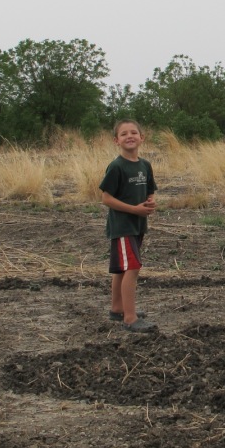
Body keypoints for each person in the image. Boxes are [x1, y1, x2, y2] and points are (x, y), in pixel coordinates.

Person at [99, 119, 158, 333]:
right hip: (123, 226)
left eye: (134, 132)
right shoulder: (116, 167)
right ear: (116, 141)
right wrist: (134, 210)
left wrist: (150, 202)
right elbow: (106, 198)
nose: (129, 136)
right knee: (132, 267)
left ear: (142, 138)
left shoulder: (145, 165)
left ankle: (117, 309)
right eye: (123, 134)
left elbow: (150, 190)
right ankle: (130, 319)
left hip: (138, 225)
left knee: (122, 268)